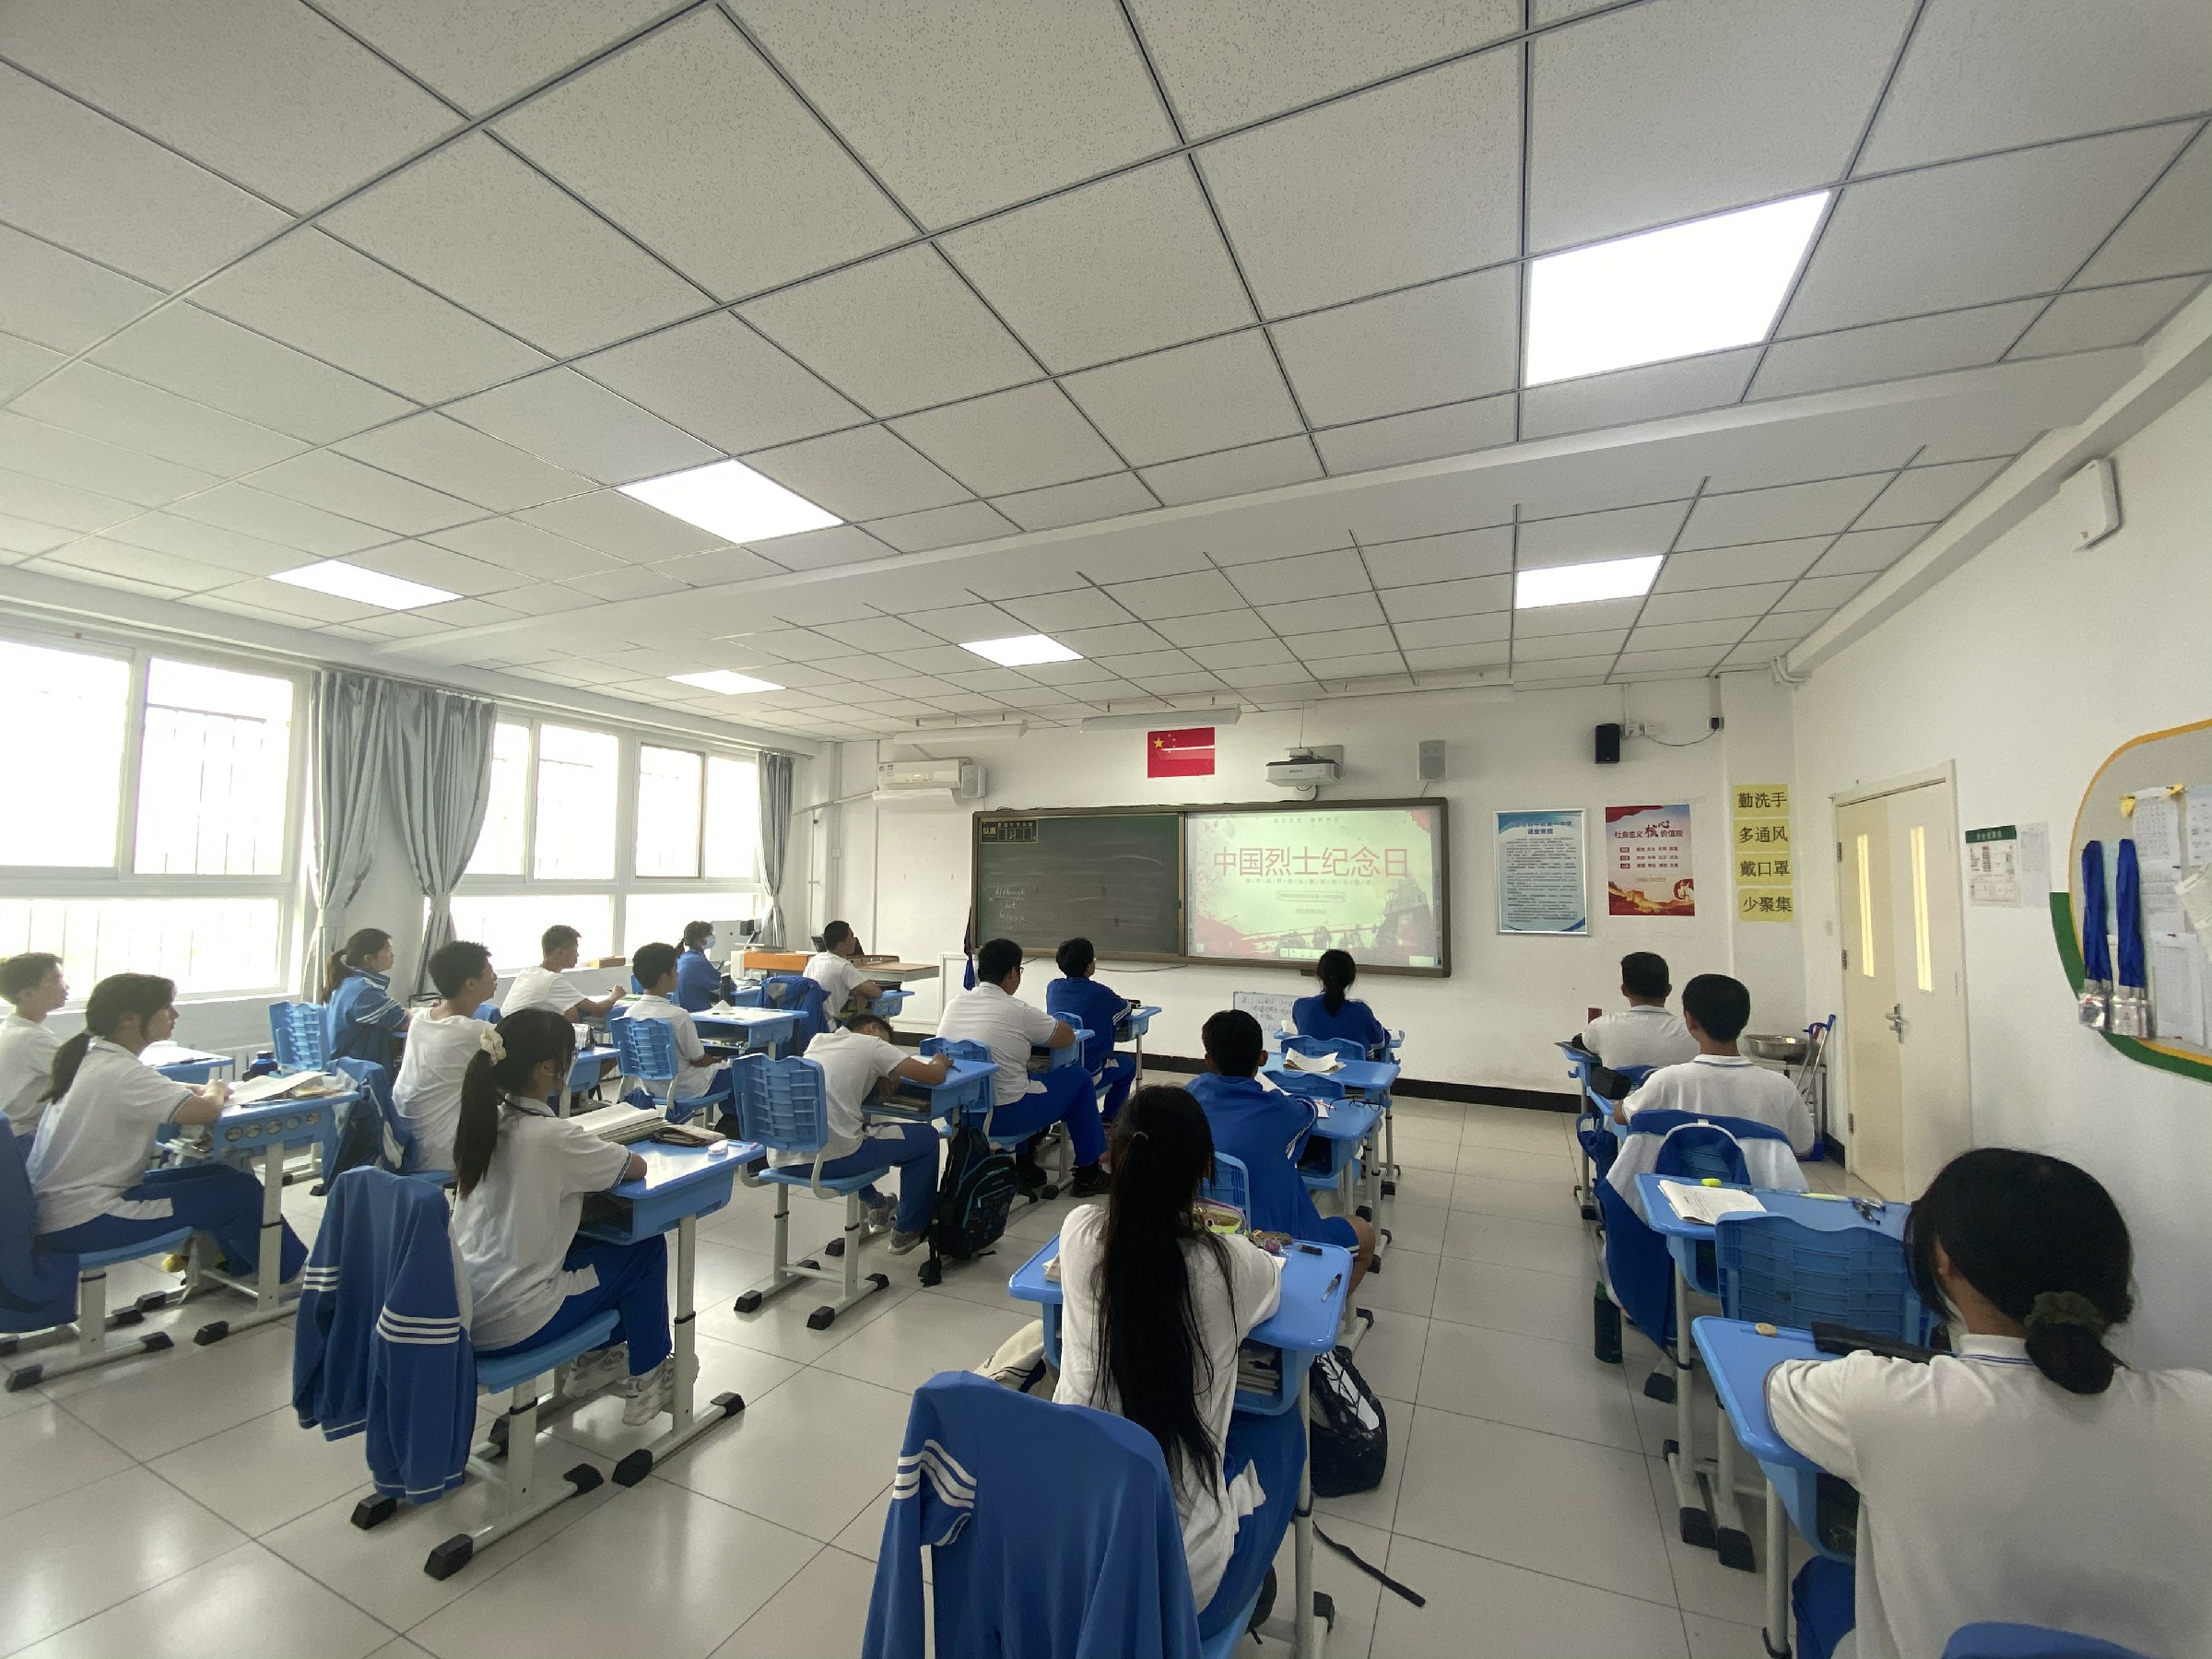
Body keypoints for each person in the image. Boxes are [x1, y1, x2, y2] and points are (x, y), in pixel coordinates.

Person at [1766, 1148, 2212, 1659]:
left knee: (1824, 1583)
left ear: (1944, 1260)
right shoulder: (2200, 1409)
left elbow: (1780, 1387)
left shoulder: (1880, 1401)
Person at [1055, 1086, 1287, 1615]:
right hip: (1180, 1587)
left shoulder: (1079, 1233)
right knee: (1284, 1428)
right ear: (1206, 1169)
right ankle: (1254, 1576)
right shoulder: (1230, 1265)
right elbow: (1275, 1285)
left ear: (1113, 1159)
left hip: (1068, 1559)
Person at [450, 1008, 675, 1427]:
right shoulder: (552, 1137)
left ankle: (596, 1360)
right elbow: (636, 1168)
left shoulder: (484, 1124)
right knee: (644, 1249)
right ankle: (651, 1378)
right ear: (546, 1069)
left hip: (465, 1310)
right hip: (514, 1320)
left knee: (592, 1245)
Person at [29, 973, 306, 1283]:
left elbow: (163, 1087)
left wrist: (204, 1089)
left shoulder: (93, 1057)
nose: (175, 1014)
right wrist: (215, 1088)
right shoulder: (122, 1072)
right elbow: (206, 1111)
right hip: (86, 1218)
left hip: (61, 1209)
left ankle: (244, 1266)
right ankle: (286, 1276)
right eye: (165, 1007)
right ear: (129, 1018)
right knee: (240, 1193)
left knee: (223, 1174)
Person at [1185, 1008, 1376, 1295]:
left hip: (1205, 1232)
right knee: (1364, 1233)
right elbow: (1308, 1111)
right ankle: (1319, 1313)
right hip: (1274, 1242)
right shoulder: (1279, 1109)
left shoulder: (1189, 1098)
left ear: (1209, 1060)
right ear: (1262, 1058)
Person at [935, 937, 1106, 1197]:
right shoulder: (1018, 1010)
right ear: (1013, 973)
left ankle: (1025, 1166)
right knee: (1079, 1079)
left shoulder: (954, 1004)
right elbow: (1066, 1037)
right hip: (1004, 1117)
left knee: (1021, 1078)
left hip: (958, 1115)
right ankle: (1089, 1174)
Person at [780, 1013, 948, 1254]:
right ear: (872, 1029)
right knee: (926, 1138)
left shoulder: (819, 1041)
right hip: (831, 1162)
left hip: (785, 1159)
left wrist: (881, 1073)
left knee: (850, 1131)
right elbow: (934, 1076)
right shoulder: (872, 1044)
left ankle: (876, 1202)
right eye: (887, 1043)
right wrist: (940, 1060)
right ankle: (908, 1230)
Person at [1615, 972, 1815, 1154]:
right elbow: (1803, 1147)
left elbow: (1621, 1116)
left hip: (1684, 1183)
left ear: (1689, 1021)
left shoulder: (1666, 1081)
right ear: (1744, 1020)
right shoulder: (1782, 1087)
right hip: (1760, 1184)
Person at [392, 939, 497, 1171]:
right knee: (521, 1134)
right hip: (438, 1150)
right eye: (490, 972)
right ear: (470, 983)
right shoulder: (471, 1031)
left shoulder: (422, 1019)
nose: (495, 977)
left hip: (404, 1140)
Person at [626, 942, 731, 1109]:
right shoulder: (678, 1016)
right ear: (663, 977)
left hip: (652, 1089)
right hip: (687, 1088)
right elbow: (699, 1060)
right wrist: (718, 1060)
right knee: (740, 1069)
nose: (678, 973)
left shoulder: (629, 1014)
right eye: (675, 968)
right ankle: (733, 1122)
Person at [1044, 936, 1137, 1123]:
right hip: (1091, 1071)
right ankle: (1110, 1120)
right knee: (1128, 1065)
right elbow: (1125, 1009)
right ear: (1089, 967)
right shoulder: (1101, 993)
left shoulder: (1053, 987)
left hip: (1059, 1069)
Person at [1579, 951, 1698, 1071]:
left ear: (1624, 990)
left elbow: (1586, 1044)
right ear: (1668, 990)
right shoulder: (1693, 1031)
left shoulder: (1601, 1026)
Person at [0, 951, 66, 1136]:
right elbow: (87, 1072)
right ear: (27, 993)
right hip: (24, 1138)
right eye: (56, 979)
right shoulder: (30, 1039)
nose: (65, 986)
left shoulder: (14, 1029)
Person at [324, 926, 408, 1067]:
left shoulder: (347, 983)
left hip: (341, 1062)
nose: (392, 955)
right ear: (369, 958)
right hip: (356, 1070)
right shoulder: (365, 991)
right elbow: (401, 1020)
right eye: (388, 951)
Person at [501, 925, 623, 1022]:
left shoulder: (528, 973)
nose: (578, 955)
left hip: (511, 1035)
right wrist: (615, 995)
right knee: (570, 1011)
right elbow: (598, 1010)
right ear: (560, 952)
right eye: (575, 950)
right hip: (527, 1038)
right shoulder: (552, 980)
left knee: (570, 1010)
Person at [1291, 948, 1390, 1056]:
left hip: (1311, 1067)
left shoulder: (1300, 1007)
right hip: (1355, 1068)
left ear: (1319, 974)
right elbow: (1381, 1042)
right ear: (1351, 978)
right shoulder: (1361, 1011)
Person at [804, 920, 881, 1018]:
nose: (855, 940)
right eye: (851, 937)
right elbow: (877, 993)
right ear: (840, 946)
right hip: (827, 1024)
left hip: (807, 1021)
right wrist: (861, 992)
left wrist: (857, 990)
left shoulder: (814, 960)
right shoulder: (844, 966)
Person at [673, 921, 725, 1013]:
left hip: (686, 1010)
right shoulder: (697, 961)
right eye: (710, 934)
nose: (713, 937)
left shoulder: (684, 958)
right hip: (697, 1014)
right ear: (699, 940)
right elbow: (725, 987)